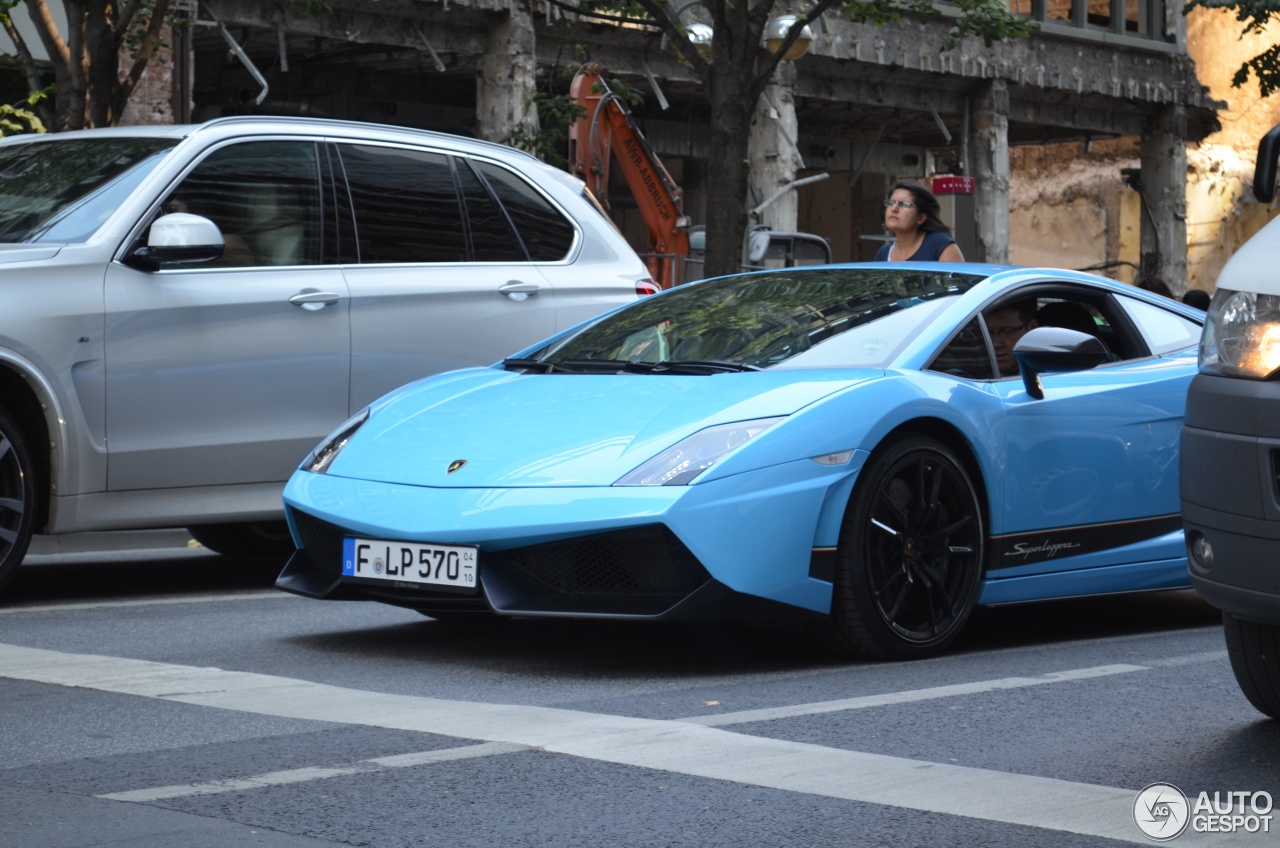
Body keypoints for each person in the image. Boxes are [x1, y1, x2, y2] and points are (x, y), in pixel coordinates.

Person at [875, 181, 964, 262]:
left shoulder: (939, 244)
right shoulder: (884, 253)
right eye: (891, 203)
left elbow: (958, 279)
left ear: (921, 218)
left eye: (904, 204)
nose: (894, 209)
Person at [984, 299, 1039, 376]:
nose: (996, 344)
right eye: (988, 333)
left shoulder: (1051, 375)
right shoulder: (969, 375)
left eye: (1008, 331)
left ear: (1032, 328)